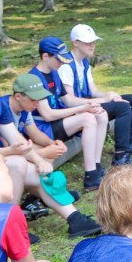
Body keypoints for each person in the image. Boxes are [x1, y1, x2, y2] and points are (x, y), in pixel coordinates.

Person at [0, 68, 100, 238]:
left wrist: (39, 161)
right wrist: (13, 151)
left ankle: (75, 219)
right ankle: (11, 228)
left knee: (37, 172)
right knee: (17, 162)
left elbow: (17, 140)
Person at [60, 23, 132, 167]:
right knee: (122, 107)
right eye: (87, 42)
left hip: (88, 104)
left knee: (131, 100)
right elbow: (70, 101)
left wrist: (111, 95)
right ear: (75, 43)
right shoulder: (66, 65)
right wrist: (104, 99)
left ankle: (127, 145)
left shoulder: (84, 62)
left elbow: (92, 91)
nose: (92, 45)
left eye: (93, 41)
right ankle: (121, 157)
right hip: (76, 112)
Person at [30, 36, 111, 191]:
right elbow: (47, 115)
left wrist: (90, 104)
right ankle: (91, 176)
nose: (61, 63)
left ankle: (96, 166)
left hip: (57, 121)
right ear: (45, 56)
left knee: (100, 114)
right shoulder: (35, 78)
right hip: (43, 127)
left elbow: (67, 99)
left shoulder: (54, 72)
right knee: (87, 119)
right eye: (58, 60)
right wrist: (82, 109)